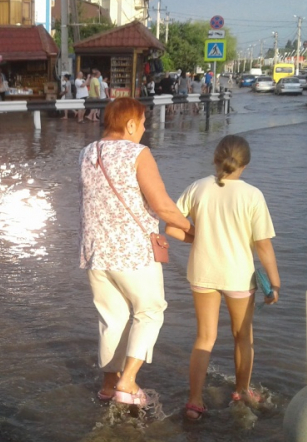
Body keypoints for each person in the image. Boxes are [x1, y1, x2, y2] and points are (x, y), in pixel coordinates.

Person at [79, 97, 193, 407]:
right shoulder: (138, 153)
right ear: (130, 124)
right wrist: (193, 230)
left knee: (112, 319)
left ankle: (107, 385)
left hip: (95, 253)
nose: (144, 129)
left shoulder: (87, 153)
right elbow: (162, 206)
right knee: (150, 311)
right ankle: (127, 383)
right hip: (131, 252)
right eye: (143, 123)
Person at [165, 135, 281, 421]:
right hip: (239, 277)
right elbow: (263, 245)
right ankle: (241, 392)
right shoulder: (252, 195)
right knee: (243, 337)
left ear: (215, 159)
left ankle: (194, 401)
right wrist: (275, 282)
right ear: (246, 164)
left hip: (203, 272)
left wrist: (198, 238)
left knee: (205, 337)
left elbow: (171, 228)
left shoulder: (197, 188)